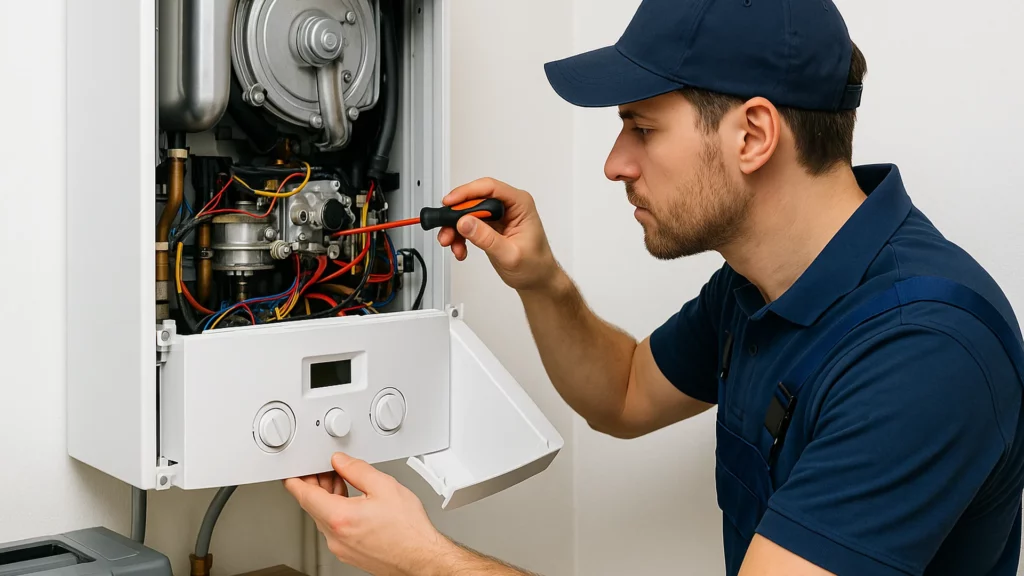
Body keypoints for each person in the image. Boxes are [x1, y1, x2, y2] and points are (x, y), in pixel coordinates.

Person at [284, 0, 1024, 574]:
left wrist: (426, 559)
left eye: (641, 127)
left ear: (754, 135)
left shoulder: (923, 353)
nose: (614, 163)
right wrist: (540, 280)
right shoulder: (761, 283)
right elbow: (627, 391)